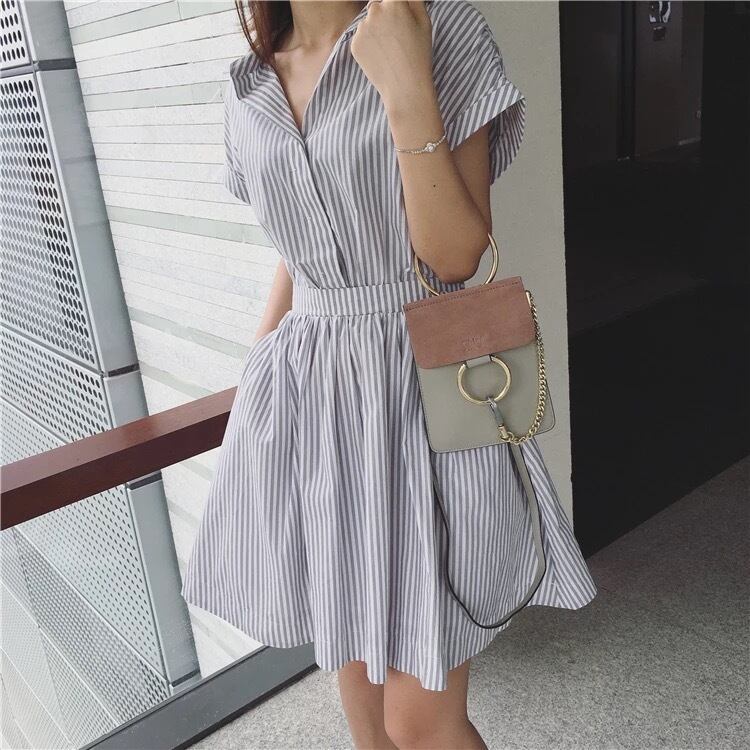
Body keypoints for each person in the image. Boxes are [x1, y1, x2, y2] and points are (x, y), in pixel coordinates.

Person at [181, 1, 598, 747]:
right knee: (361, 693)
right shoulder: (249, 83)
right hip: (313, 397)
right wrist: (258, 372)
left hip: (421, 380)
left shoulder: (438, 26)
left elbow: (454, 256)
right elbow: (302, 245)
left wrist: (406, 85)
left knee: (422, 720)